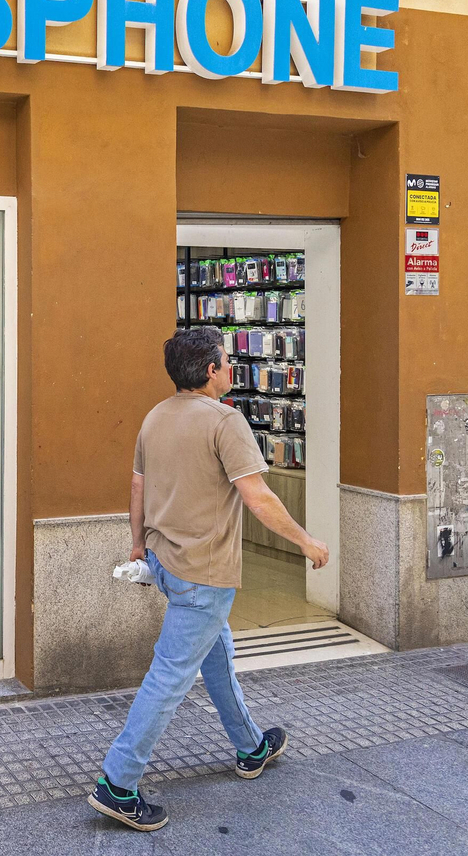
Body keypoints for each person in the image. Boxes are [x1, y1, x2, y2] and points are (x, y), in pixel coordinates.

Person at [88, 326, 330, 832]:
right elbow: (257, 496)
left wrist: (138, 544)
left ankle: (249, 747)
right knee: (170, 675)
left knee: (216, 657)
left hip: (165, 563)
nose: (230, 368)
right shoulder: (226, 421)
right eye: (225, 360)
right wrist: (307, 542)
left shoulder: (155, 417)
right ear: (211, 369)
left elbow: (137, 486)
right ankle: (118, 781)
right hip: (204, 575)